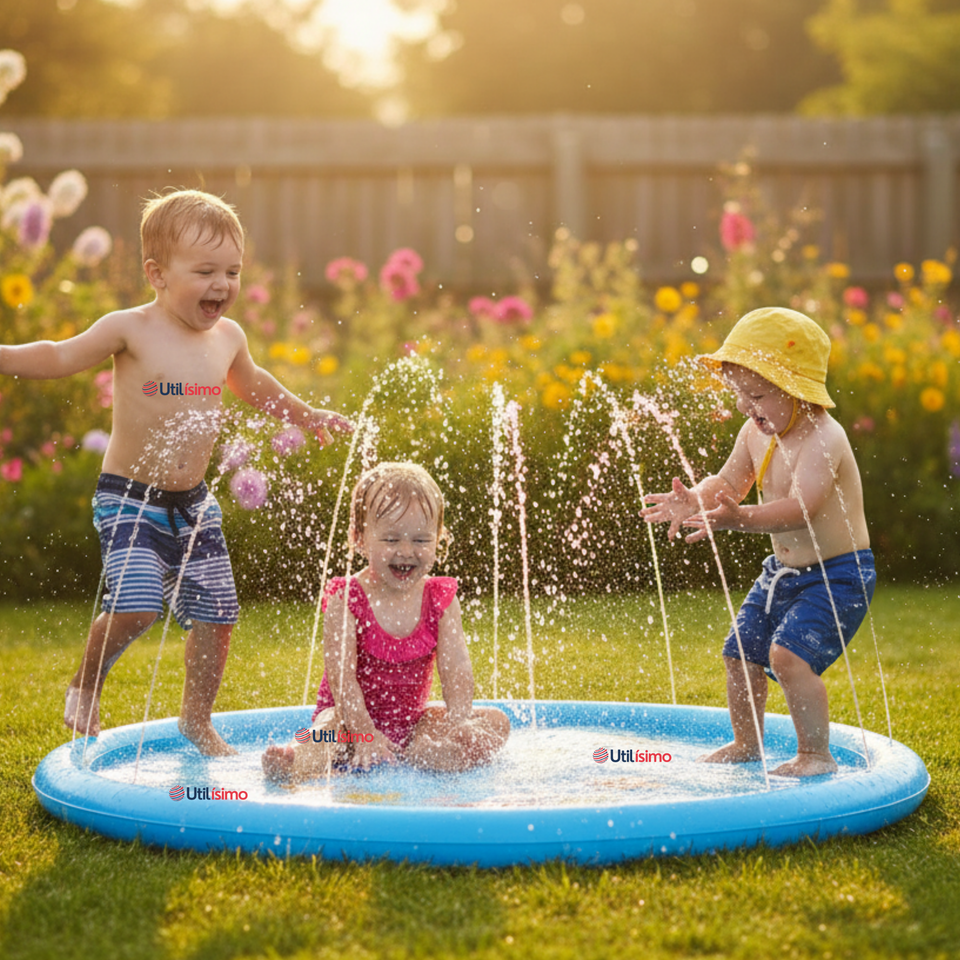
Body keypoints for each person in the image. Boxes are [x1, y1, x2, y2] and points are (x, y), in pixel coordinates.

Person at [0, 189, 352, 755]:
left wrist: (306, 414)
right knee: (137, 608)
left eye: (232, 271)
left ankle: (196, 719)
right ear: (157, 274)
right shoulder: (130, 328)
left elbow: (254, 385)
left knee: (218, 616)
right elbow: (60, 355)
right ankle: (86, 683)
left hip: (193, 505)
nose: (222, 285)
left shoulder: (228, 338)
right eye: (205, 271)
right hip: (129, 499)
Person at [641, 307, 875, 777]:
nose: (747, 407)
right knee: (740, 652)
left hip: (838, 574)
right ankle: (747, 744)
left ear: (795, 388)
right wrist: (696, 498)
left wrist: (739, 519)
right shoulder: (756, 432)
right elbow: (729, 482)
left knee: (788, 658)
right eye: (739, 395)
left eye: (757, 395)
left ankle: (815, 755)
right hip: (783, 572)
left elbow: (801, 509)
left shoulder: (823, 438)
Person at [262, 461, 510, 780]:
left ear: (439, 539)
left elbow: (456, 668)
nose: (406, 551)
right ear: (359, 539)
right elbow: (341, 678)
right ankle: (295, 760)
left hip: (412, 724)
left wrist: (459, 719)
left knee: (497, 722)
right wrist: (364, 731)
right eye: (391, 540)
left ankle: (426, 750)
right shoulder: (347, 599)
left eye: (421, 541)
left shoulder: (440, 599)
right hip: (350, 722)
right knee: (326, 729)